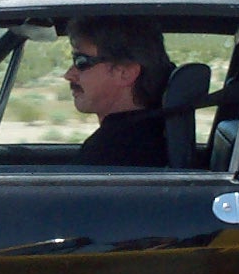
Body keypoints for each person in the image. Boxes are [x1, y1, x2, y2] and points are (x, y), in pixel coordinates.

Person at [64, 16, 172, 167]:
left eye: (81, 62)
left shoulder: (111, 152)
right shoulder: (150, 135)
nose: (68, 75)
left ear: (125, 73)